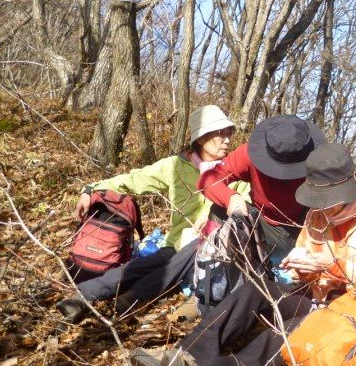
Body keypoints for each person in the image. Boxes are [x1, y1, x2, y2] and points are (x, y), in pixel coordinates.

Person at [130, 143, 356, 366]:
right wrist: (301, 268)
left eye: (334, 205)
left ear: (352, 193)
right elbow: (305, 263)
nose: (327, 213)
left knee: (287, 332)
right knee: (253, 291)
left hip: (348, 313)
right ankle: (183, 355)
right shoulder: (317, 214)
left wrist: (331, 266)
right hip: (312, 294)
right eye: (322, 204)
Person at [57, 105, 236, 323]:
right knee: (148, 264)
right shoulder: (175, 167)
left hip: (215, 250)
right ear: (200, 138)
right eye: (220, 134)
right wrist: (91, 188)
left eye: (229, 134)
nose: (227, 140)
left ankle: (129, 298)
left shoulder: (234, 169)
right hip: (177, 244)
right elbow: (135, 179)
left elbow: (243, 209)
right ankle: (81, 297)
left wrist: (211, 218)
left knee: (196, 247)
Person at [198, 115, 325, 261]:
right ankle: (216, 271)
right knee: (219, 211)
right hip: (263, 231)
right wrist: (230, 197)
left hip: (306, 231)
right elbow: (208, 179)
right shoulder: (250, 154)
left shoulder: (322, 161)